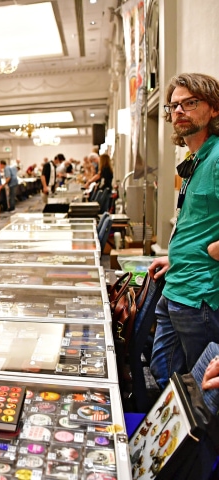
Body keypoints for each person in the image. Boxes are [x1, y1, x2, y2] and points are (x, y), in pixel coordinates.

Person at [148, 73, 219, 390]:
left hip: (200, 297)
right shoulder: (198, 157)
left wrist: (213, 251)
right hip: (177, 286)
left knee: (197, 396)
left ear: (213, 108)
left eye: (190, 103)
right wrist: (175, 258)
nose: (179, 111)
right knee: (164, 379)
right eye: (174, 105)